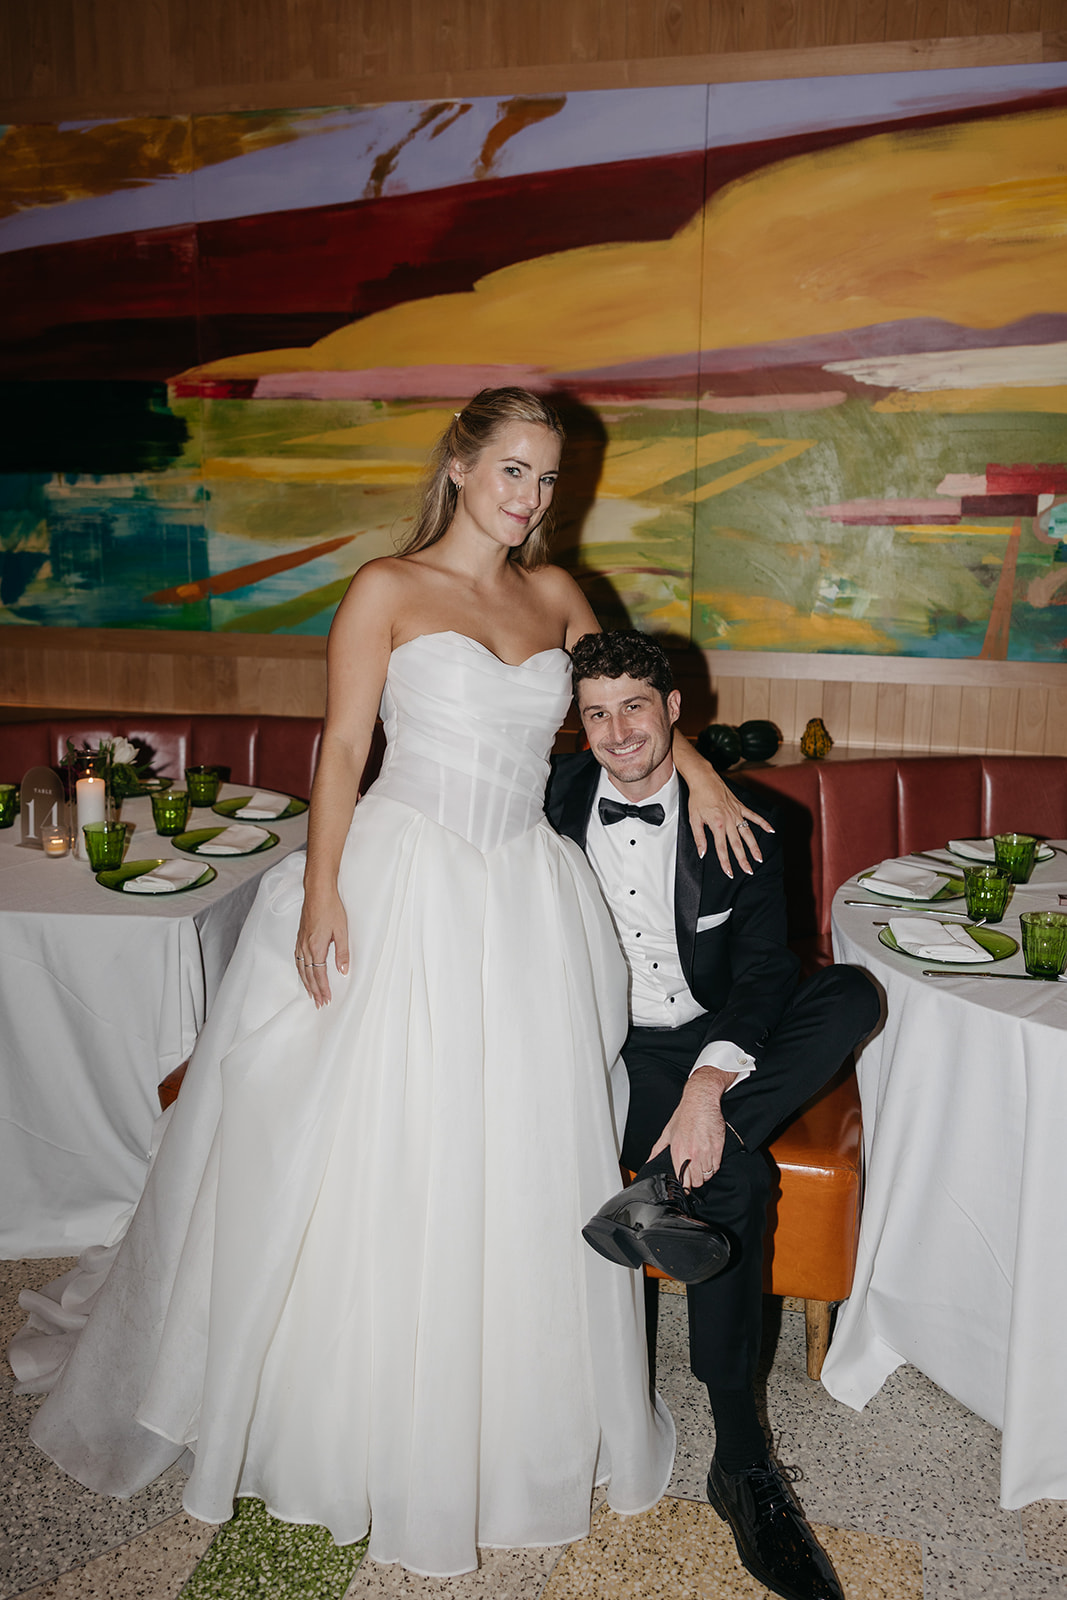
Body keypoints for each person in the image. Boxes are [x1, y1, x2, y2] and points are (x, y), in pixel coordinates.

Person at [11, 390, 770, 1579]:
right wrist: (322, 888)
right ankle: (338, 1399)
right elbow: (342, 748)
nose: (529, 497)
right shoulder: (386, 587)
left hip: (524, 896)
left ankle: (508, 1401)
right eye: (511, 469)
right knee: (378, 1137)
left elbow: (625, 708)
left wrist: (702, 772)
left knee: (514, 1145)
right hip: (400, 874)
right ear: (460, 465)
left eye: (546, 479)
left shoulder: (559, 596)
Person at [545, 629, 881, 1600]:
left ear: (673, 711)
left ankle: (666, 1176)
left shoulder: (753, 822)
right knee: (735, 1178)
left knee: (850, 993)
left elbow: (767, 973)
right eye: (596, 713)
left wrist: (708, 1087)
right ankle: (740, 1459)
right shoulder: (548, 799)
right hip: (612, 1048)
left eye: (634, 707)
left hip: (713, 1033)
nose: (617, 732)